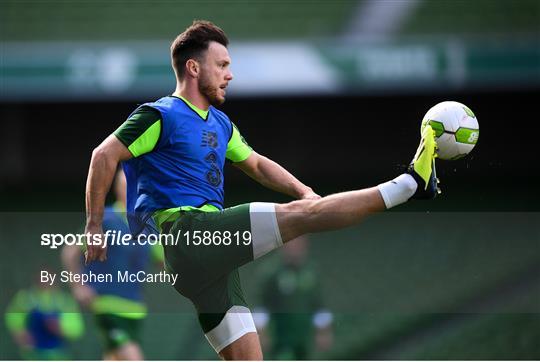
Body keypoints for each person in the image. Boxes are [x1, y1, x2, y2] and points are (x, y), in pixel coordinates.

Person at [83, 20, 439, 360]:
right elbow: (103, 154)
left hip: (208, 261)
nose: (230, 74)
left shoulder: (221, 123)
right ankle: (409, 185)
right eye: (221, 64)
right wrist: (95, 225)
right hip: (190, 236)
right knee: (305, 218)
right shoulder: (159, 115)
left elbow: (255, 163)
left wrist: (304, 190)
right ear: (193, 68)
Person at [62, 169, 162, 360]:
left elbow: (165, 261)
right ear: (118, 189)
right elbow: (70, 251)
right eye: (128, 186)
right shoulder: (105, 219)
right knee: (133, 358)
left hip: (134, 308)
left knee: (114, 357)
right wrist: (78, 285)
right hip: (106, 305)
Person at [254, 236, 333, 360]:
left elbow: (319, 305)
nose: (295, 247)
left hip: (304, 339)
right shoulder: (272, 272)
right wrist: (261, 333)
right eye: (291, 243)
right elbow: (261, 306)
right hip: (279, 339)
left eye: (299, 243)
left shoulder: (311, 270)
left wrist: (323, 332)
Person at [4, 272, 84, 360]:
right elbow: (13, 317)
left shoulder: (64, 300)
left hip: (59, 353)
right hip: (32, 354)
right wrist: (20, 333)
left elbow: (76, 329)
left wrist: (59, 328)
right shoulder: (26, 298)